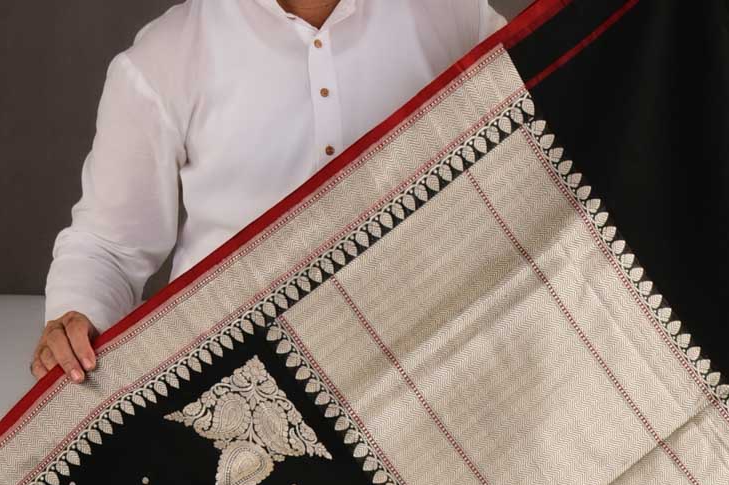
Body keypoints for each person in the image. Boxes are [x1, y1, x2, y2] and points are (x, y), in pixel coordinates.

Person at [31, 0, 507, 383]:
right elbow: (110, 248)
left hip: (426, 363)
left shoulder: (453, 12)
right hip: (231, 376)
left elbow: (524, 146)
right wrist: (77, 316)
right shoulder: (165, 57)